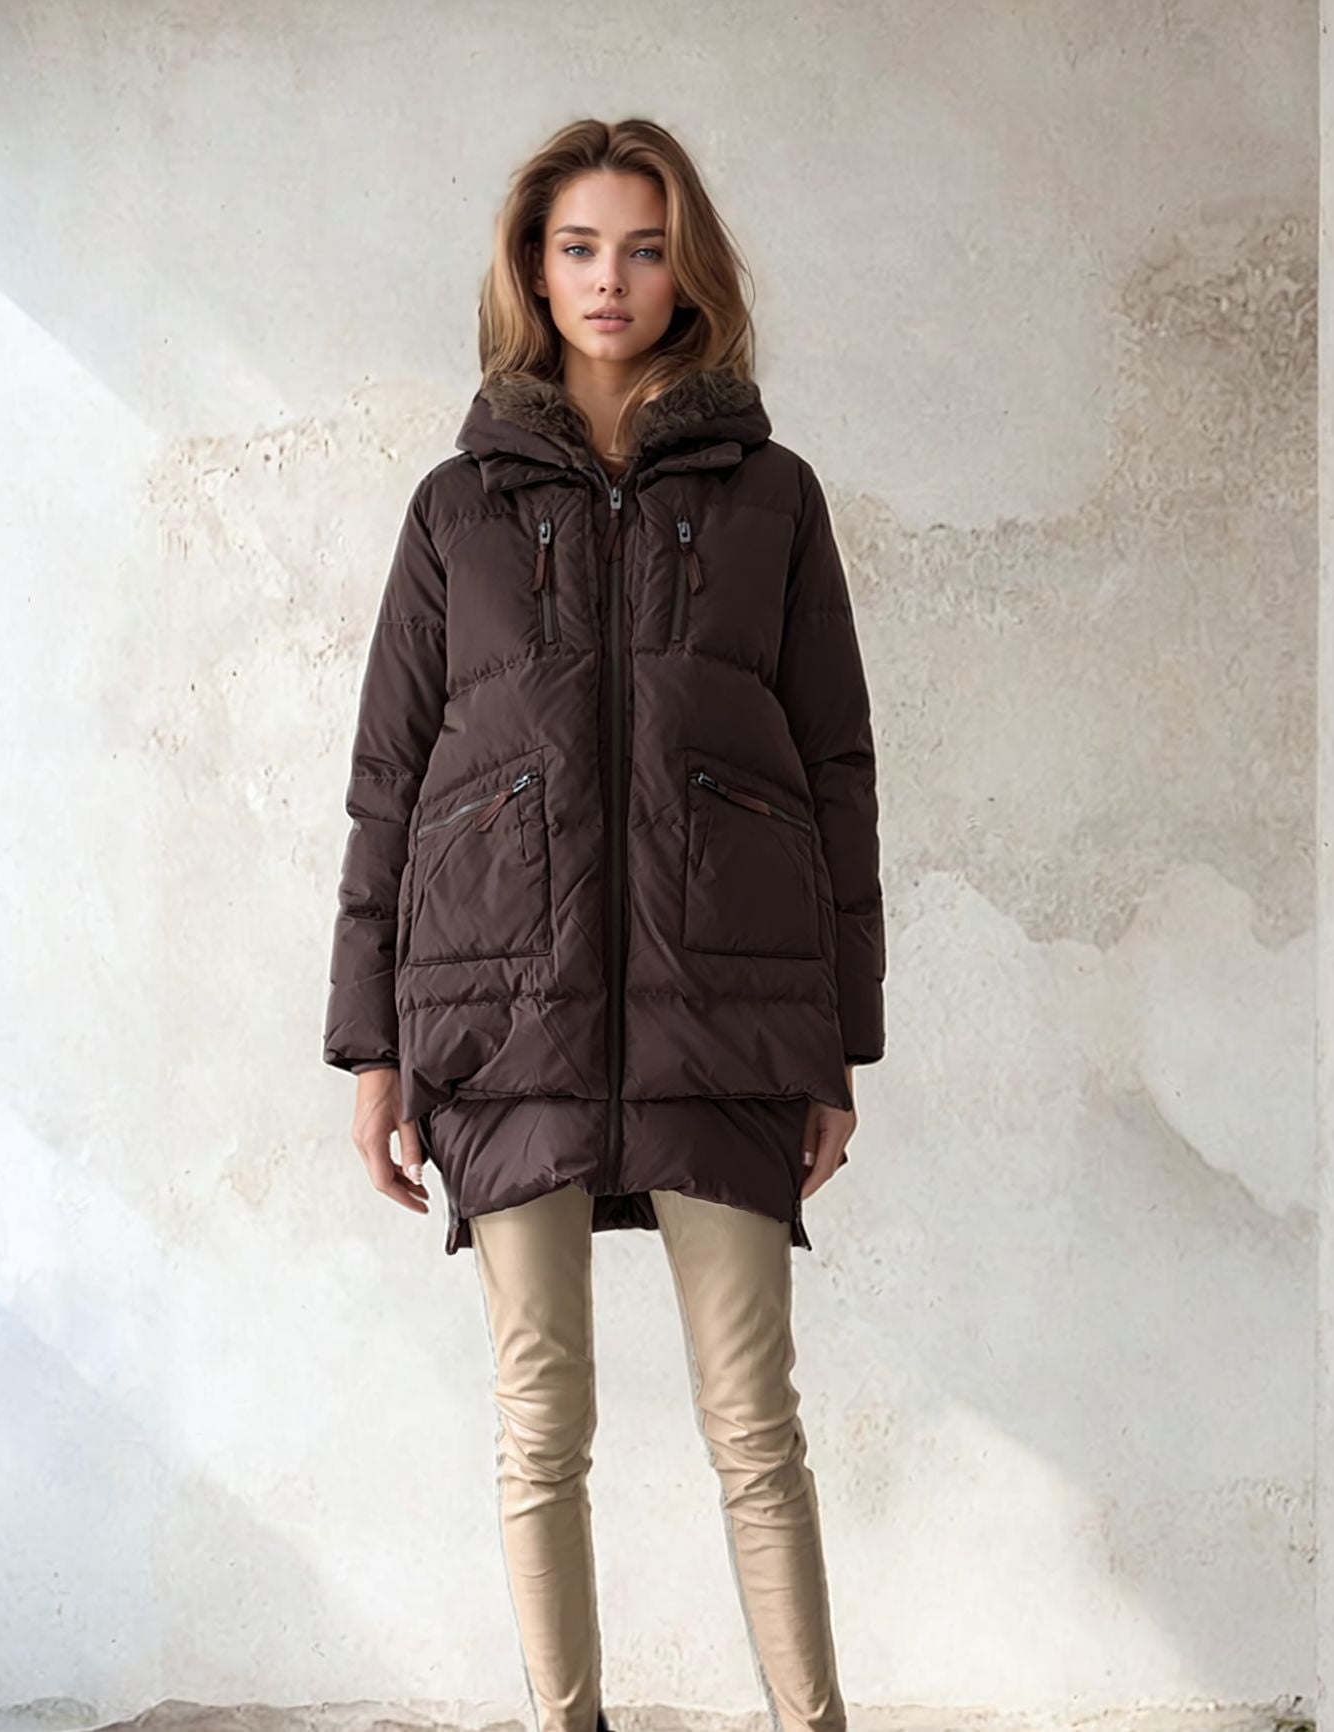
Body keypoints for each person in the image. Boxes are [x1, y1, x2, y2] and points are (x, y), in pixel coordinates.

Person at [323, 116, 885, 1732]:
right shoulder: (456, 510)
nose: (610, 279)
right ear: (532, 268)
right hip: (504, 1009)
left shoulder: (773, 498)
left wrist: (837, 1044)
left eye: (643, 247)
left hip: (730, 1012)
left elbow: (835, 772)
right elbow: (389, 783)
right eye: (578, 247)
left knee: (753, 1426)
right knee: (539, 1426)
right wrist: (372, 1048)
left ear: (685, 269)